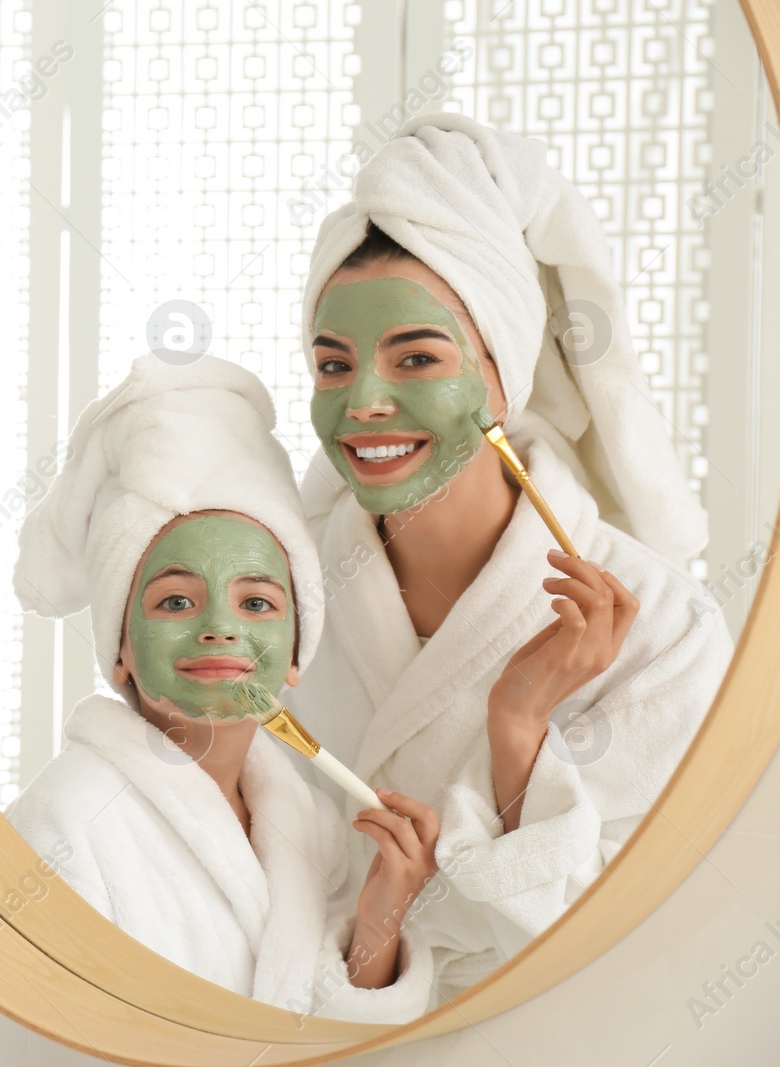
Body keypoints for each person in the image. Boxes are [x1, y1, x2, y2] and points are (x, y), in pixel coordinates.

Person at [0, 356, 439, 1067]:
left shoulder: (312, 825)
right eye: (175, 600)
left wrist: (383, 911)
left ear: (296, 649)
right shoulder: (62, 825)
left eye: (257, 601)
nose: (220, 628)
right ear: (120, 651)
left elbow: (334, 1044)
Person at [284, 111, 735, 1002]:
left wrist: (519, 733)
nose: (363, 402)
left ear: (502, 379)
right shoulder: (283, 601)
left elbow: (650, 940)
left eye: (416, 357)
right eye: (333, 366)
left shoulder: (669, 628)